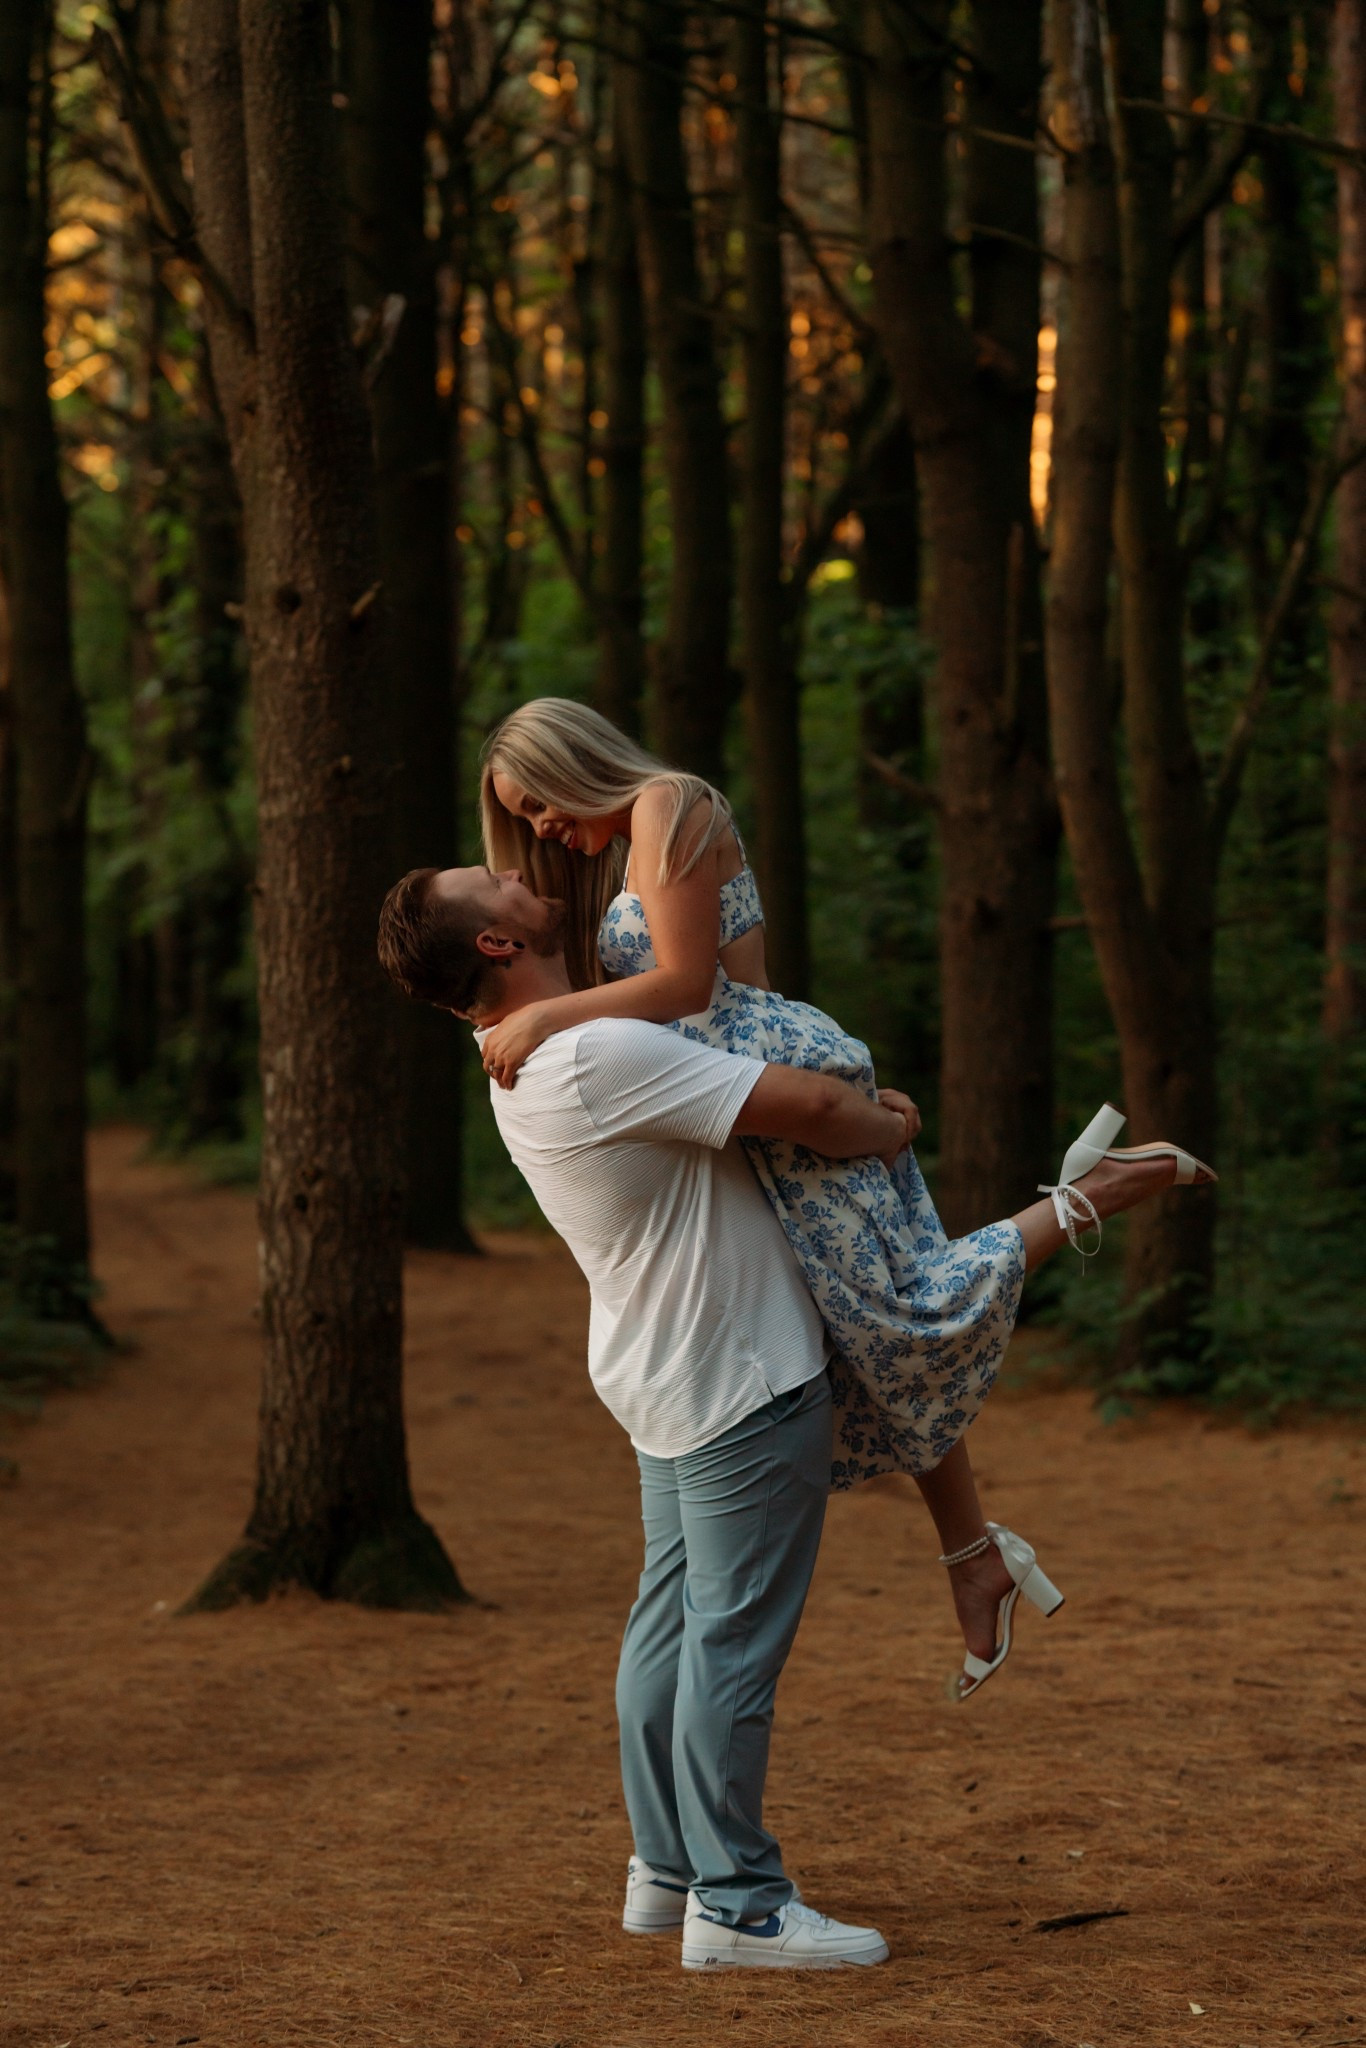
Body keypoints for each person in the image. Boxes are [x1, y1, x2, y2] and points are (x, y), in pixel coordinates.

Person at [375, 862, 1203, 1968]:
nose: (519, 870)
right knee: (730, 1645)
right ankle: (739, 1905)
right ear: (491, 945)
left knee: (668, 1626)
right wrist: (891, 1122)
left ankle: (666, 1872)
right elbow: (813, 1109)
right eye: (491, 878)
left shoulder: (539, 1055)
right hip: (738, 1376)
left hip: (661, 1367)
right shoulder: (591, 1051)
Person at [475, 698, 1217, 1702]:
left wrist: (554, 1013)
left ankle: (1100, 1187)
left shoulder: (667, 806)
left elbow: (695, 985)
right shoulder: (625, 845)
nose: (542, 834)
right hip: (744, 1097)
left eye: (541, 807)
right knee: (865, 1334)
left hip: (768, 1086)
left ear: (575, 763)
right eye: (521, 825)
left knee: (903, 1308)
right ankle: (974, 1558)